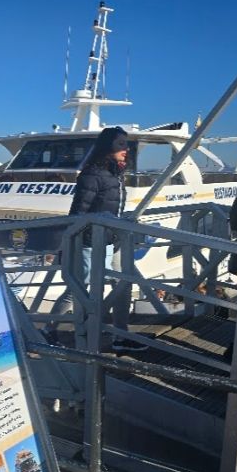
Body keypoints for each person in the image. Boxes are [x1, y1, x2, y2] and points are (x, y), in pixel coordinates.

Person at [45, 126, 146, 352]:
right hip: (91, 240)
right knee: (81, 289)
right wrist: (72, 242)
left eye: (126, 144)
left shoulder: (115, 174)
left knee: (123, 283)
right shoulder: (92, 175)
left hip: (113, 238)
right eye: (121, 144)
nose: (126, 149)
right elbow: (78, 212)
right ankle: (49, 329)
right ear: (107, 147)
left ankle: (120, 335)